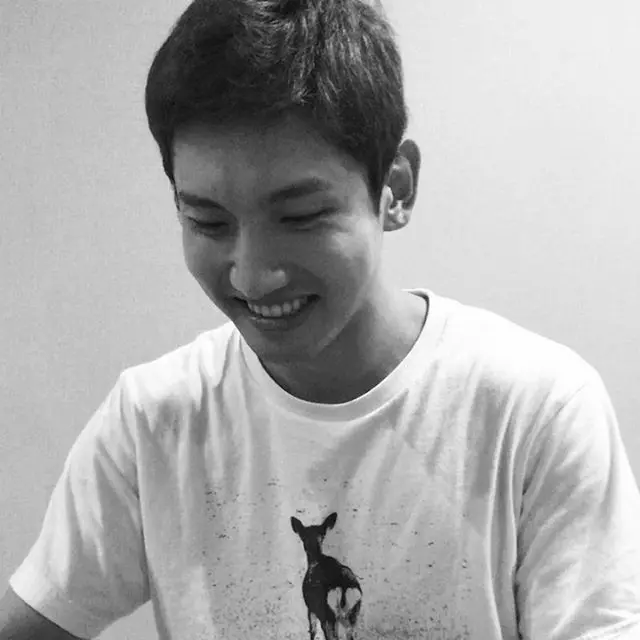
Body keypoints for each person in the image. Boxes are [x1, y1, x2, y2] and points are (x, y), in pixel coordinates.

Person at [2, 0, 640, 638]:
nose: (252, 276)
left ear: (395, 188)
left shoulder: (536, 410)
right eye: (208, 222)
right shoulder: (155, 420)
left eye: (301, 217)